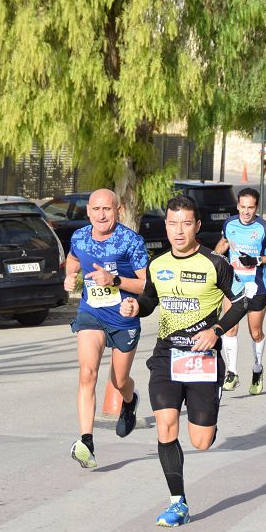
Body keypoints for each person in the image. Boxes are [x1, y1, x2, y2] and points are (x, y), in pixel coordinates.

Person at [120, 194, 250, 527]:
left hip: (202, 359)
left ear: (197, 226)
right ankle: (178, 502)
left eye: (186, 224)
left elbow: (243, 300)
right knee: (165, 427)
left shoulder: (214, 263)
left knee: (201, 441)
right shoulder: (158, 263)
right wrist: (136, 306)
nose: (179, 231)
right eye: (173, 224)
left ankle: (210, 410)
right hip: (166, 355)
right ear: (166, 225)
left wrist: (217, 330)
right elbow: (149, 301)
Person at [64, 189, 148, 469]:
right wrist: (70, 275)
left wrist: (114, 280)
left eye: (107, 209)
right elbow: (74, 258)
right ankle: (86, 440)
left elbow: (145, 285)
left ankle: (129, 399)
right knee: (87, 372)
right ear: (88, 211)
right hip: (92, 313)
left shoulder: (130, 241)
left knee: (119, 380)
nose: (102, 215)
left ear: (118, 210)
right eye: (96, 209)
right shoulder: (79, 237)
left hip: (123, 317)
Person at [214, 188, 266, 395]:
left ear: (256, 207)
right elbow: (224, 242)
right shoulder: (229, 223)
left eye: (250, 207)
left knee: (255, 332)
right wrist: (214, 256)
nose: (246, 211)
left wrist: (258, 260)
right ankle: (232, 373)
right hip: (233, 286)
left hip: (257, 287)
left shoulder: (265, 228)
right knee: (229, 329)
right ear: (237, 206)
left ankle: (257, 368)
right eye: (242, 207)